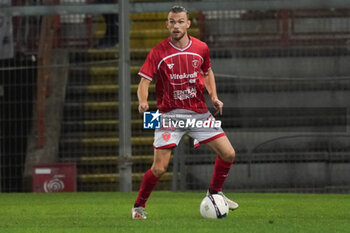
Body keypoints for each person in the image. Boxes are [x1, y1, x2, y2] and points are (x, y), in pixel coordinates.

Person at [131, 5, 238, 219]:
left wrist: (214, 97)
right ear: (167, 24)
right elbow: (144, 81)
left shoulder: (201, 48)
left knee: (229, 153)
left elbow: (207, 72)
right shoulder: (157, 52)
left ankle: (215, 192)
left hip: (198, 113)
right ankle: (138, 207)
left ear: (188, 24)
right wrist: (143, 101)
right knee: (159, 168)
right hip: (168, 115)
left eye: (180, 21)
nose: (176, 26)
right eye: (172, 21)